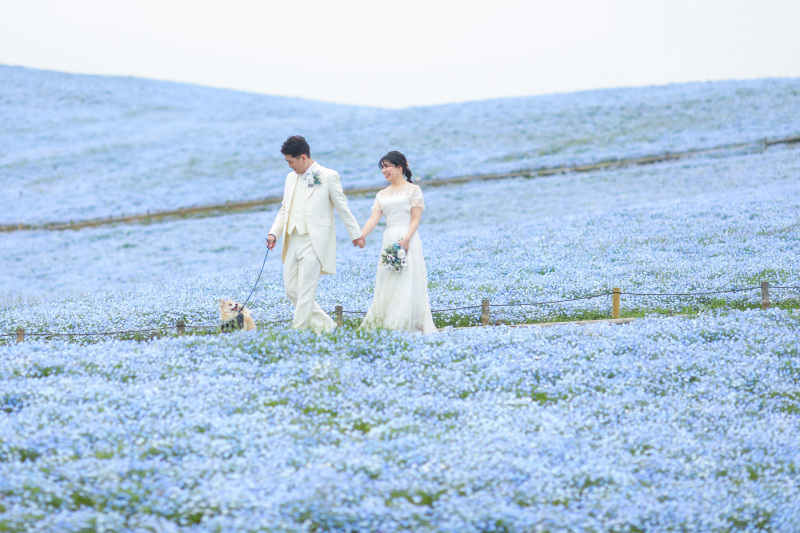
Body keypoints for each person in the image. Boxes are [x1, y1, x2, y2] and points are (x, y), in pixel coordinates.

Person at [267, 135, 364, 333]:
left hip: (315, 240)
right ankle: (329, 327)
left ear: (303, 157)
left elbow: (342, 207)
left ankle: (298, 331)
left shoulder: (328, 176)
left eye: (290, 161)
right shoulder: (290, 178)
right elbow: (285, 209)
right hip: (292, 238)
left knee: (306, 290)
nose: (289, 166)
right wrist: (273, 233)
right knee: (291, 290)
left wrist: (356, 234)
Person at [357, 151, 437, 334]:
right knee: (387, 280)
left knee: (407, 280)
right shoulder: (382, 194)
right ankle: (386, 321)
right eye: (382, 168)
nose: (384, 171)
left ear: (399, 167)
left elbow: (415, 219)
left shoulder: (414, 190)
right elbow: (374, 218)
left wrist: (407, 239)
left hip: (408, 238)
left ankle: (404, 323)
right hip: (389, 238)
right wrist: (361, 236)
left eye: (387, 167)